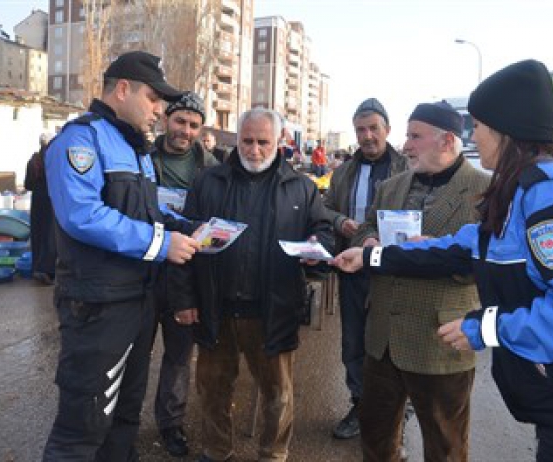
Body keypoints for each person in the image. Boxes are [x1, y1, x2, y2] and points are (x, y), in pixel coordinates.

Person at [333, 60, 553, 462]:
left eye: (478, 127)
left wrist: (485, 326)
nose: (473, 136)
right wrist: (370, 254)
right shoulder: (521, 190)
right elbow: (458, 246)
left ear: (506, 129)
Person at [41, 50, 202, 461]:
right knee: (83, 426)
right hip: (98, 306)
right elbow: (83, 215)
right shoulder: (81, 140)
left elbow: (146, 209)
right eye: (153, 98)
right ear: (123, 89)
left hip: (137, 301)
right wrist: (163, 244)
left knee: (125, 416)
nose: (159, 110)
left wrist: (185, 227)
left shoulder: (135, 149)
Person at [171, 107, 334, 462]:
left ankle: (273, 453)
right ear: (237, 139)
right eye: (247, 140)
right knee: (213, 388)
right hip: (216, 305)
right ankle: (217, 451)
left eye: (263, 142)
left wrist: (317, 248)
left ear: (280, 142)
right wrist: (184, 299)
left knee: (279, 393)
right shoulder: (207, 181)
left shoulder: (301, 187)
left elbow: (323, 230)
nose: (254, 150)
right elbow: (183, 241)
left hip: (272, 308)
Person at [351, 101, 491, 461]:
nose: (406, 144)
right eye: (407, 135)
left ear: (446, 141)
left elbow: (488, 261)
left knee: (445, 446)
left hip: (439, 340)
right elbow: (367, 225)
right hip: (382, 337)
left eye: (416, 136)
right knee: (376, 437)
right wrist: (366, 241)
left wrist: (440, 253)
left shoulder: (484, 191)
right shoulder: (392, 186)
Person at [323, 97, 407, 439]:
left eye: (374, 128)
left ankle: (395, 412)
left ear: (387, 129)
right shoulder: (343, 172)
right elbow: (323, 209)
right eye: (361, 129)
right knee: (353, 342)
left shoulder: (408, 169)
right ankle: (360, 404)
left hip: (395, 272)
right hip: (354, 269)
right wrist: (340, 220)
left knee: (392, 343)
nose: (368, 136)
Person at [148, 91, 218, 457]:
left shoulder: (212, 169)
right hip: (141, 271)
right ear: (165, 121)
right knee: (132, 351)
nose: (186, 131)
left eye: (193, 125)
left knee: (178, 356)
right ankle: (120, 420)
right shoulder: (142, 158)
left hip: (186, 276)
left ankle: (170, 424)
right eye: (180, 122)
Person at [24, 132, 56, 284]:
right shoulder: (56, 158)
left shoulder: (33, 160)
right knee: (51, 233)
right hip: (53, 198)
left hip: (37, 198)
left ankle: (36, 268)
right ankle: (49, 270)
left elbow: (27, 185)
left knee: (37, 231)